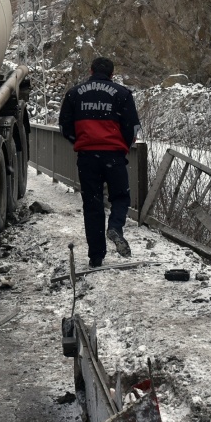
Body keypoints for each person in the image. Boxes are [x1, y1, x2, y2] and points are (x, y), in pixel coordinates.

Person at [59, 56, 141, 268]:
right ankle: (115, 226)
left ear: (91, 70)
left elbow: (65, 126)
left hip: (87, 157)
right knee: (121, 196)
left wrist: (81, 141)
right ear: (112, 74)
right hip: (113, 155)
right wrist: (122, 145)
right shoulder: (122, 94)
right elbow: (132, 127)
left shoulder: (74, 93)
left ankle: (96, 256)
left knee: (92, 205)